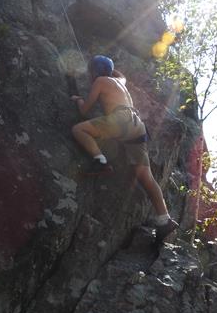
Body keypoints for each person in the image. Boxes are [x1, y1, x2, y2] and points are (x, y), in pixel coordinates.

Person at [70, 55, 178, 240]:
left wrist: (78, 99)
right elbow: (122, 76)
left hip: (120, 121)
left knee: (78, 129)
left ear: (94, 71)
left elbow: (84, 110)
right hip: (137, 126)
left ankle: (100, 161)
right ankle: (164, 219)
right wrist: (111, 70)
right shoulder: (120, 82)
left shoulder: (100, 81)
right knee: (146, 176)